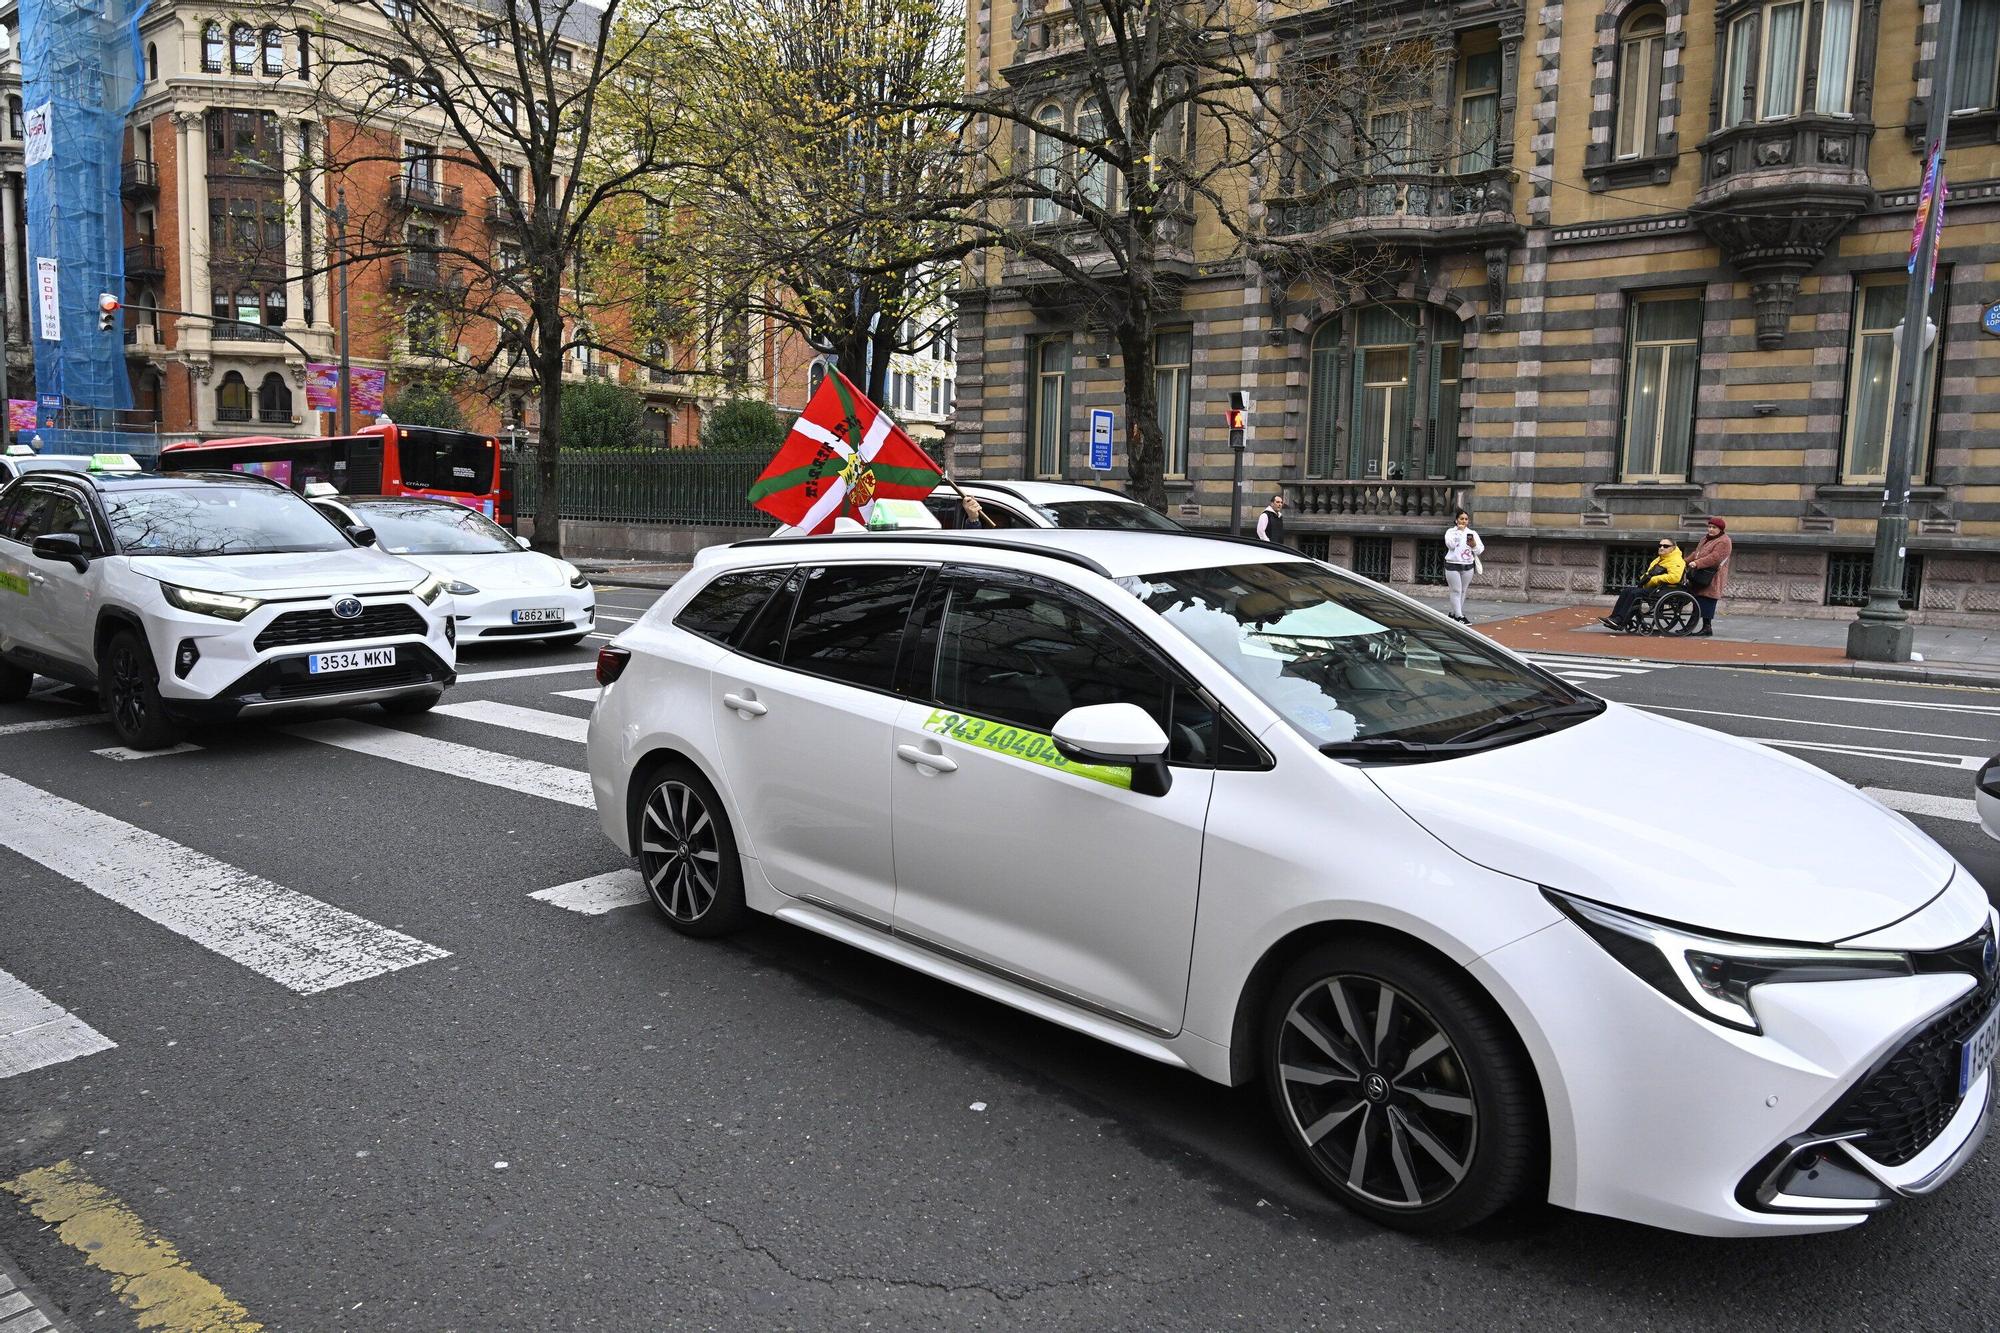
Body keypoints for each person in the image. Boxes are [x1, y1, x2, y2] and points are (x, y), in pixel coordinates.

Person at [1602, 538, 1686, 630]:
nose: (1661, 548)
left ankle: (1620, 620)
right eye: (1660, 545)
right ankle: (1613, 617)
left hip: (1664, 590)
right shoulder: (1660, 559)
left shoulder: (1676, 560)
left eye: (1665, 546)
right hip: (1653, 588)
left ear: (1673, 548)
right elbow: (1649, 573)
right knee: (1626, 591)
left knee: (1635, 594)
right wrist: (1644, 578)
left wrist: (1654, 579)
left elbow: (1675, 578)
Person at [1683, 518, 1732, 637]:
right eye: (1709, 527)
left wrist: (1697, 563)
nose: (1710, 529)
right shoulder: (1705, 539)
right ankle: (1700, 627)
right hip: (1701, 574)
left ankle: (1702, 627)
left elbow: (1715, 558)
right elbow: (1697, 553)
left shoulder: (1724, 541)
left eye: (1714, 528)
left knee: (1707, 600)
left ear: (1720, 529)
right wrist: (1684, 561)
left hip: (1712, 575)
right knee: (1699, 599)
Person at [1442, 509, 1483, 623]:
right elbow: (1451, 545)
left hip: (1468, 565)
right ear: (1456, 520)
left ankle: (1453, 614)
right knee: (1456, 590)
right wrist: (1459, 533)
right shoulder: (1450, 532)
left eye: (1466, 519)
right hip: (1452, 564)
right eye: (1461, 519)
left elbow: (1479, 550)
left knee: (1463, 591)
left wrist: (1474, 545)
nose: (1464, 521)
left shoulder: (1472, 533)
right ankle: (1460, 616)